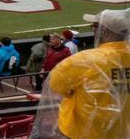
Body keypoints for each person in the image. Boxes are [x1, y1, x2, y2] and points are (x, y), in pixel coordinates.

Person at [36, 9, 130, 139]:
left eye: (95, 26)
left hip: (83, 133)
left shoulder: (82, 61)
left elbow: (55, 87)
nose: (93, 30)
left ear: (104, 31)